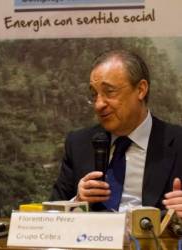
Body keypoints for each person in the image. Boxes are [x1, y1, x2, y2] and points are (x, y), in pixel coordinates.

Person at [51, 50, 182, 217]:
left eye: (109, 92)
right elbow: (52, 214)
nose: (98, 104)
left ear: (141, 90)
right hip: (92, 240)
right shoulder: (78, 144)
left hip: (154, 241)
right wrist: (77, 202)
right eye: (94, 94)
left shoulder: (177, 142)